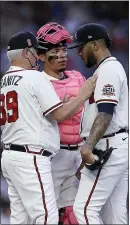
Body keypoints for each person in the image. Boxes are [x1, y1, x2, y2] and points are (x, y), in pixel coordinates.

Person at [1, 31, 97, 225]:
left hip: (10, 156)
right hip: (31, 157)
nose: (37, 55)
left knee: (21, 219)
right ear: (27, 53)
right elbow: (60, 115)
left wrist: (58, 104)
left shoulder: (4, 81)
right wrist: (82, 95)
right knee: (47, 217)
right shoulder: (34, 77)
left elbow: (29, 111)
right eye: (35, 51)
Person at [68, 23, 128, 224]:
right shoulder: (107, 68)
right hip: (114, 144)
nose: (78, 52)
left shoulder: (109, 69)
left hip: (108, 145)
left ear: (94, 45)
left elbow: (105, 113)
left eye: (81, 46)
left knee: (84, 210)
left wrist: (88, 147)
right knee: (114, 215)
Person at [36, 22, 86, 224]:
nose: (62, 55)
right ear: (41, 56)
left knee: (75, 215)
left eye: (64, 50)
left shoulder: (78, 77)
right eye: (55, 50)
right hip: (53, 157)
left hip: (78, 153)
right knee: (48, 215)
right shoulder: (36, 82)